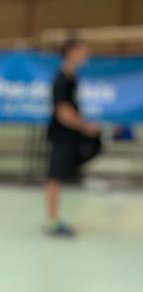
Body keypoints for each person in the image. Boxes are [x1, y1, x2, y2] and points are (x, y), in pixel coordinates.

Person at [45, 38, 101, 237]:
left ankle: (53, 219)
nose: (86, 54)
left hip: (70, 136)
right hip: (61, 136)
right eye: (82, 50)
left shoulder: (71, 77)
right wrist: (85, 127)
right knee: (54, 178)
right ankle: (52, 222)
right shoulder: (62, 79)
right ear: (71, 52)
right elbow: (63, 113)